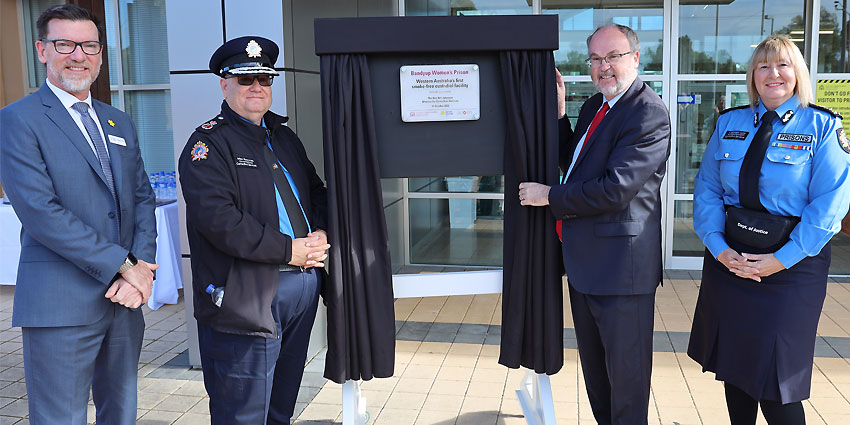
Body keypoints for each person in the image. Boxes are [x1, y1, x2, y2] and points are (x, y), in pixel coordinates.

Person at [0, 4, 158, 424]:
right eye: (64, 44)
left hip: (123, 302)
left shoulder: (118, 121)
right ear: (41, 51)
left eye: (89, 45)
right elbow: (40, 213)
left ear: (101, 54)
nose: (78, 55)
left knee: (120, 414)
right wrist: (124, 266)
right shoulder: (17, 120)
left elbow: (142, 198)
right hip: (60, 303)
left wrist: (141, 268)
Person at [688, 35, 850, 425]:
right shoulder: (730, 122)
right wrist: (717, 246)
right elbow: (707, 189)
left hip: (792, 267)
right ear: (752, 75)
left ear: (798, 73)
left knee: (778, 384)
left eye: (782, 65)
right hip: (730, 260)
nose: (772, 74)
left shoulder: (822, 126)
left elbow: (830, 204)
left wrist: (781, 259)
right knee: (735, 368)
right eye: (763, 66)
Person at [518, 24, 671, 424]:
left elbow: (614, 189)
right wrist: (559, 113)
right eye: (596, 59)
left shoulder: (648, 113)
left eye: (613, 56)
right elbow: (573, 163)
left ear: (635, 58)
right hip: (586, 268)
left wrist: (547, 196)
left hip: (622, 273)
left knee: (627, 387)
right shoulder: (594, 107)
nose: (604, 67)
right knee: (598, 381)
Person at [178, 36, 330, 425]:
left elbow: (316, 193)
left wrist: (322, 232)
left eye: (264, 78)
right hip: (247, 295)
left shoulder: (283, 137)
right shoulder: (208, 145)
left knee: (281, 403)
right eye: (246, 80)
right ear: (223, 83)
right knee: (242, 411)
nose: (257, 87)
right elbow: (220, 222)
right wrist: (288, 251)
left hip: (301, 286)